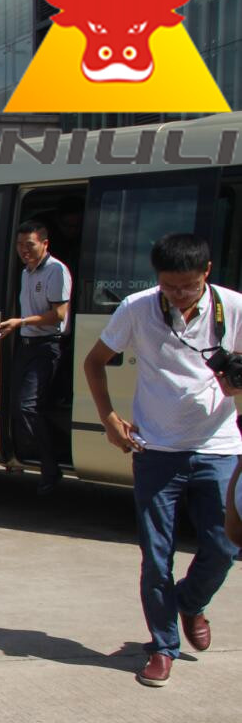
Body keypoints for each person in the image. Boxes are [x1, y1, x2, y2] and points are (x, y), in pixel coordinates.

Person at [83, 232, 242, 688]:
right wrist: (109, 419)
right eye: (168, 286)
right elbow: (94, 362)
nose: (177, 295)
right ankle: (163, 645)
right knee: (156, 558)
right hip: (155, 450)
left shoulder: (234, 307)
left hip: (218, 445)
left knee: (225, 545)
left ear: (206, 272)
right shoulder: (137, 307)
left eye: (187, 286)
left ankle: (190, 602)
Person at [0, 222, 72, 494]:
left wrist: (21, 322)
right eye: (20, 245)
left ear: (44, 243)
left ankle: (50, 467)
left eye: (30, 244)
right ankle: (24, 457)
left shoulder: (56, 270)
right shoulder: (26, 272)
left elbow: (59, 314)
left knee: (27, 406)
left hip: (47, 345)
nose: (23, 250)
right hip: (26, 344)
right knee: (15, 405)